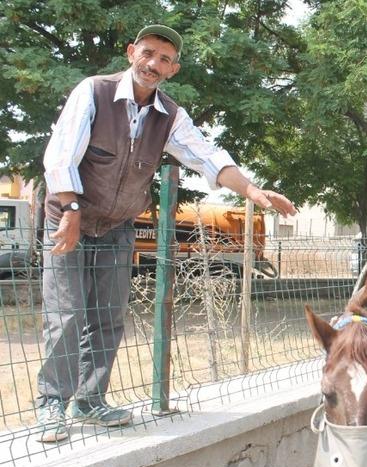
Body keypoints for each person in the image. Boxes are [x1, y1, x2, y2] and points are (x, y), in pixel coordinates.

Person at [35, 25, 297, 442]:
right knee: (66, 315)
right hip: (70, 218)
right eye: (148, 53)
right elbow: (61, 155)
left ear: (173, 70)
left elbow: (206, 155)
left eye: (164, 59)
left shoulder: (170, 115)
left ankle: (89, 402)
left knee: (109, 317)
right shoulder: (94, 92)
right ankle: (51, 404)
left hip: (118, 226)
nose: (153, 64)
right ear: (131, 53)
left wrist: (252, 191)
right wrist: (69, 211)